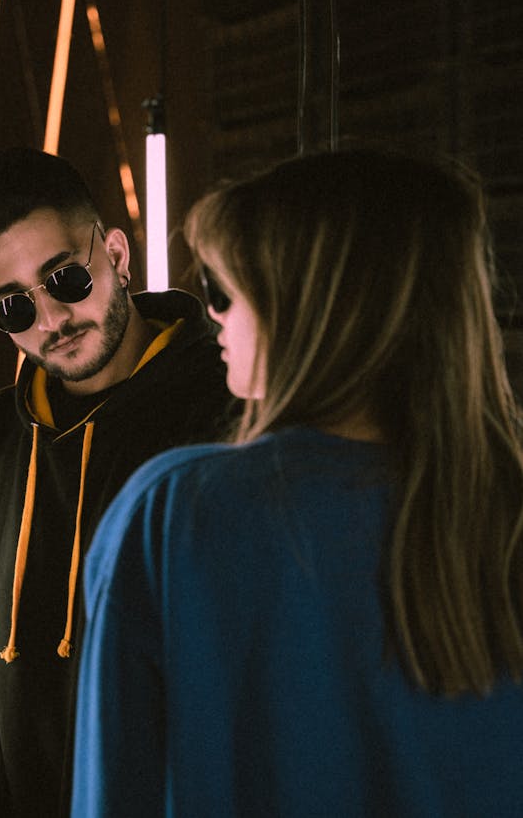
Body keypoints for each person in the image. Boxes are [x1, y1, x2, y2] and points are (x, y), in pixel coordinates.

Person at [71, 146, 523, 818]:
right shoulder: (502, 513)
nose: (214, 314)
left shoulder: (173, 514)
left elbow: (115, 794)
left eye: (227, 291)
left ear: (313, 306)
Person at [0, 146, 233, 817]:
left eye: (64, 278)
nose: (51, 320)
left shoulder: (225, 416)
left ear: (115, 253)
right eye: (12, 308)